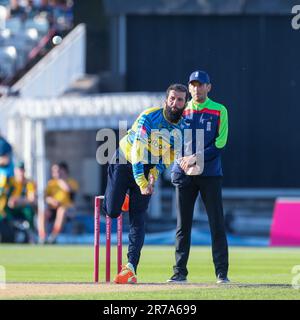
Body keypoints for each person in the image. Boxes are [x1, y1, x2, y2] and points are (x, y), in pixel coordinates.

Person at [102, 83, 189, 284]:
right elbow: (137, 152)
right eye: (172, 98)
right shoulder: (149, 117)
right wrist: (141, 181)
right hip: (125, 160)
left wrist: (154, 175)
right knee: (113, 212)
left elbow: (168, 156)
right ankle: (119, 197)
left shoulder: (182, 127)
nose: (175, 103)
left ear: (185, 103)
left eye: (180, 100)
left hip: (148, 166)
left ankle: (130, 267)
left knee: (138, 217)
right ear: (166, 100)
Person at [168, 70, 229, 284]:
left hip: (210, 174)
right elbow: (170, 138)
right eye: (193, 85)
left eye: (200, 84)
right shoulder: (182, 109)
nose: (196, 88)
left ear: (208, 87)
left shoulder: (219, 110)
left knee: (216, 224)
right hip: (184, 174)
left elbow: (220, 143)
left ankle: (221, 274)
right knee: (182, 226)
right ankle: (179, 273)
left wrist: (195, 157)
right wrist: (181, 159)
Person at [38, 162, 79, 244]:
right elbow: (45, 197)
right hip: (53, 208)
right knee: (42, 213)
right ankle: (42, 237)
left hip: (67, 209)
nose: (56, 173)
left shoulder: (71, 182)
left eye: (58, 171)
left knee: (61, 210)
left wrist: (60, 180)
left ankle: (53, 237)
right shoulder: (51, 183)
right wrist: (50, 200)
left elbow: (69, 190)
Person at [6, 161, 36, 240]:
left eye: (22, 170)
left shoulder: (29, 183)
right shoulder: (10, 182)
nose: (20, 173)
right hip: (10, 208)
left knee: (29, 211)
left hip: (23, 208)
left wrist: (19, 200)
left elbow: (31, 199)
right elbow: (7, 198)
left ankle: (31, 236)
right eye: (19, 170)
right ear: (15, 171)